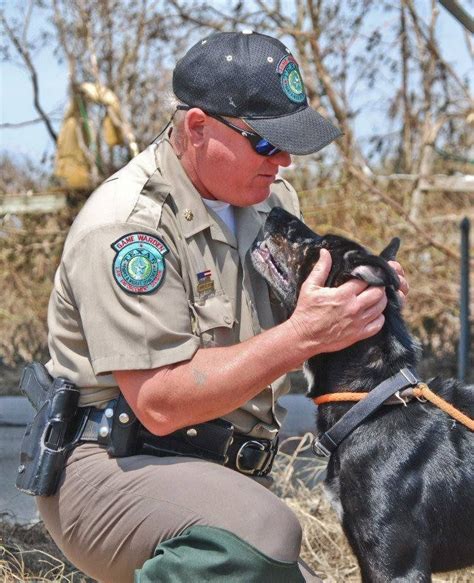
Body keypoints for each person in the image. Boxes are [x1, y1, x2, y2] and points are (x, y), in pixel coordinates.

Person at [36, 30, 408, 582]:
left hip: (219, 474)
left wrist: (358, 300)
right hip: (112, 465)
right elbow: (159, 401)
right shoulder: (128, 227)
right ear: (196, 128)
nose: (282, 159)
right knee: (263, 537)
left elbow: (307, 309)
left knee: (266, 545)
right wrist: (307, 334)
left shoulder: (269, 198)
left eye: (289, 143)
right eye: (265, 142)